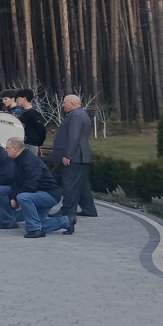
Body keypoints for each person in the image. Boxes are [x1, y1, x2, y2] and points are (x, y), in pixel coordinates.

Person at [0, 138, 68, 237]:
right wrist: (14, 196)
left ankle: (34, 230)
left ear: (16, 149)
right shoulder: (17, 159)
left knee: (23, 197)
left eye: (7, 148)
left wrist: (16, 198)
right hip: (36, 194)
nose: (5, 150)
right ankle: (8, 220)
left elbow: (31, 184)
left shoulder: (29, 160)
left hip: (49, 194)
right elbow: (17, 182)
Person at [52, 94, 95, 232]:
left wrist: (68, 155)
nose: (63, 105)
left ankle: (67, 212)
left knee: (69, 184)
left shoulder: (75, 116)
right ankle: (89, 209)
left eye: (64, 102)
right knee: (82, 184)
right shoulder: (81, 114)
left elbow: (73, 137)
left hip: (74, 156)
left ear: (72, 103)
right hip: (80, 156)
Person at [16, 89, 47, 153]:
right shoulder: (22, 112)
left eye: (18, 98)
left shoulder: (32, 113)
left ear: (24, 98)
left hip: (30, 145)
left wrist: (39, 143)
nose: (17, 100)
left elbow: (41, 129)